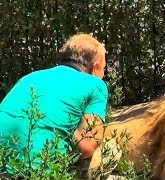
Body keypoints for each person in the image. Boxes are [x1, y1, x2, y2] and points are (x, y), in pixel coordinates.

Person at [0, 34, 108, 175]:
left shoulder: (29, 78)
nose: (104, 74)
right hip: (35, 171)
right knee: (109, 151)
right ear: (95, 67)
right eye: (103, 69)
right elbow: (86, 146)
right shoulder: (95, 84)